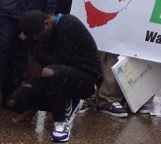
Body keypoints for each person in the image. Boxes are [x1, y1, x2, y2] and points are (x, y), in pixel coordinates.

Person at [7, 10, 102, 143]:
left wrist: (30, 45)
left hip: (86, 80)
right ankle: (67, 103)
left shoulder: (68, 24)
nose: (40, 40)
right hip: (59, 78)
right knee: (15, 101)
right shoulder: (46, 33)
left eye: (40, 37)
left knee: (50, 71)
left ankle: (61, 122)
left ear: (47, 23)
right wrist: (32, 103)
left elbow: (56, 63)